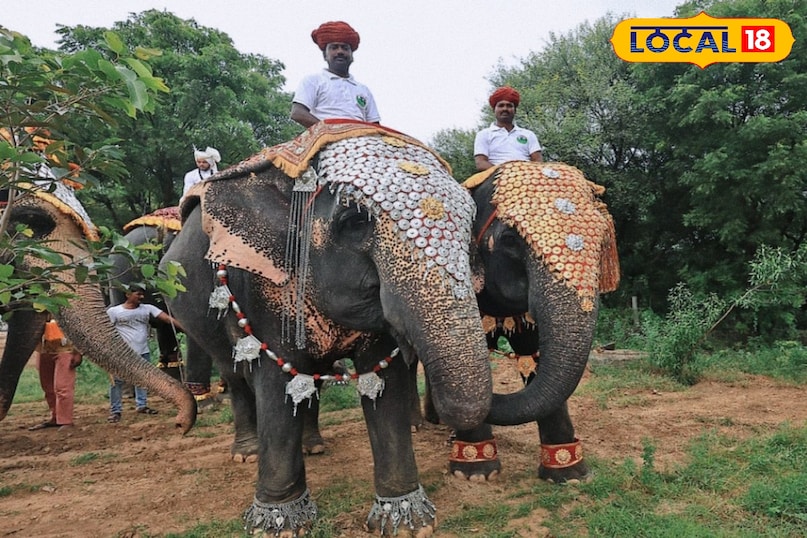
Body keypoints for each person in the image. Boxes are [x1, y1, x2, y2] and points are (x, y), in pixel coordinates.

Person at [106, 285, 184, 423]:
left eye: (142, 294)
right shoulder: (114, 311)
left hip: (142, 351)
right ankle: (115, 411)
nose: (141, 297)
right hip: (121, 353)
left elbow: (167, 319)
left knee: (143, 379)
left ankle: (141, 405)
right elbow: (106, 331)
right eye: (138, 294)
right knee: (117, 382)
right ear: (128, 294)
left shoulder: (147, 308)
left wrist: (186, 329)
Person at [290, 21, 380, 128]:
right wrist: (331, 131)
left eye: (345, 48)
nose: (340, 51)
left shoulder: (363, 90)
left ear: (351, 55)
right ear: (325, 55)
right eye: (334, 47)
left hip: (360, 136)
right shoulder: (313, 81)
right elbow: (297, 113)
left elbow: (375, 125)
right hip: (324, 135)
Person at [28, 317, 83, 432]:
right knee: (47, 386)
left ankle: (66, 421)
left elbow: (78, 324)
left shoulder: (69, 307)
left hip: (66, 348)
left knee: (62, 386)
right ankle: (55, 417)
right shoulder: (37, 307)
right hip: (44, 348)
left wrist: (78, 352)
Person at [473, 86, 543, 171]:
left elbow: (538, 161)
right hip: (495, 175)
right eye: (501, 105)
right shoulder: (484, 134)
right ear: (494, 110)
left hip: (526, 175)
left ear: (515, 110)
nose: (505, 109)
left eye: (509, 106)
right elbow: (481, 163)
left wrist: (523, 173)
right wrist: (506, 172)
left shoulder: (528, 134)